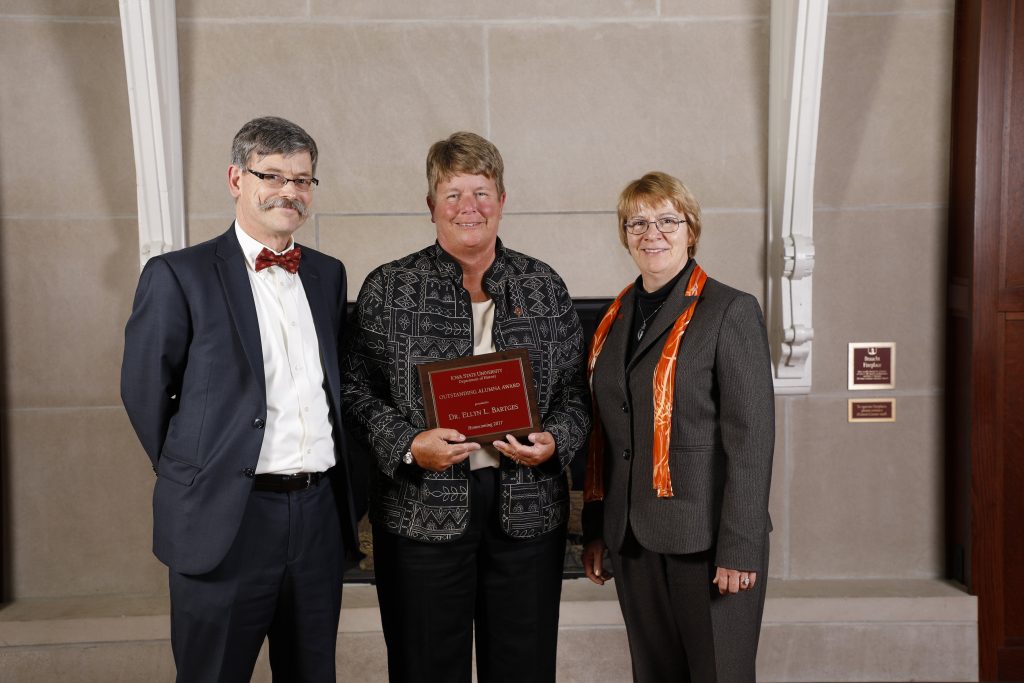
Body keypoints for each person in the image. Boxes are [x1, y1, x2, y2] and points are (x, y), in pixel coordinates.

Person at [340, 131, 590, 683]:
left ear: (502, 200)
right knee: (425, 667)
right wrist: (406, 444)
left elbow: (576, 391)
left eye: (481, 192)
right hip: (419, 512)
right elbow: (354, 391)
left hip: (527, 511)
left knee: (523, 668)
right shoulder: (389, 287)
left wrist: (557, 441)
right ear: (430, 206)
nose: (468, 207)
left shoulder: (543, 286)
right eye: (452, 193)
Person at [121, 116, 359, 682]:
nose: (289, 191)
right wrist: (200, 471)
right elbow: (143, 393)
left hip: (317, 516)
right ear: (235, 178)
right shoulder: (177, 275)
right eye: (271, 175)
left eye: (302, 180)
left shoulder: (327, 276)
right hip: (225, 519)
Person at [581, 171, 775, 682]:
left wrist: (740, 548)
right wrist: (599, 528)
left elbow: (750, 441)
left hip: (707, 540)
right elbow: (612, 433)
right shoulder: (614, 317)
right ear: (624, 234)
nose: (653, 233)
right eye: (638, 222)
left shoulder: (729, 311)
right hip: (633, 540)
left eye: (668, 220)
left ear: (691, 230)